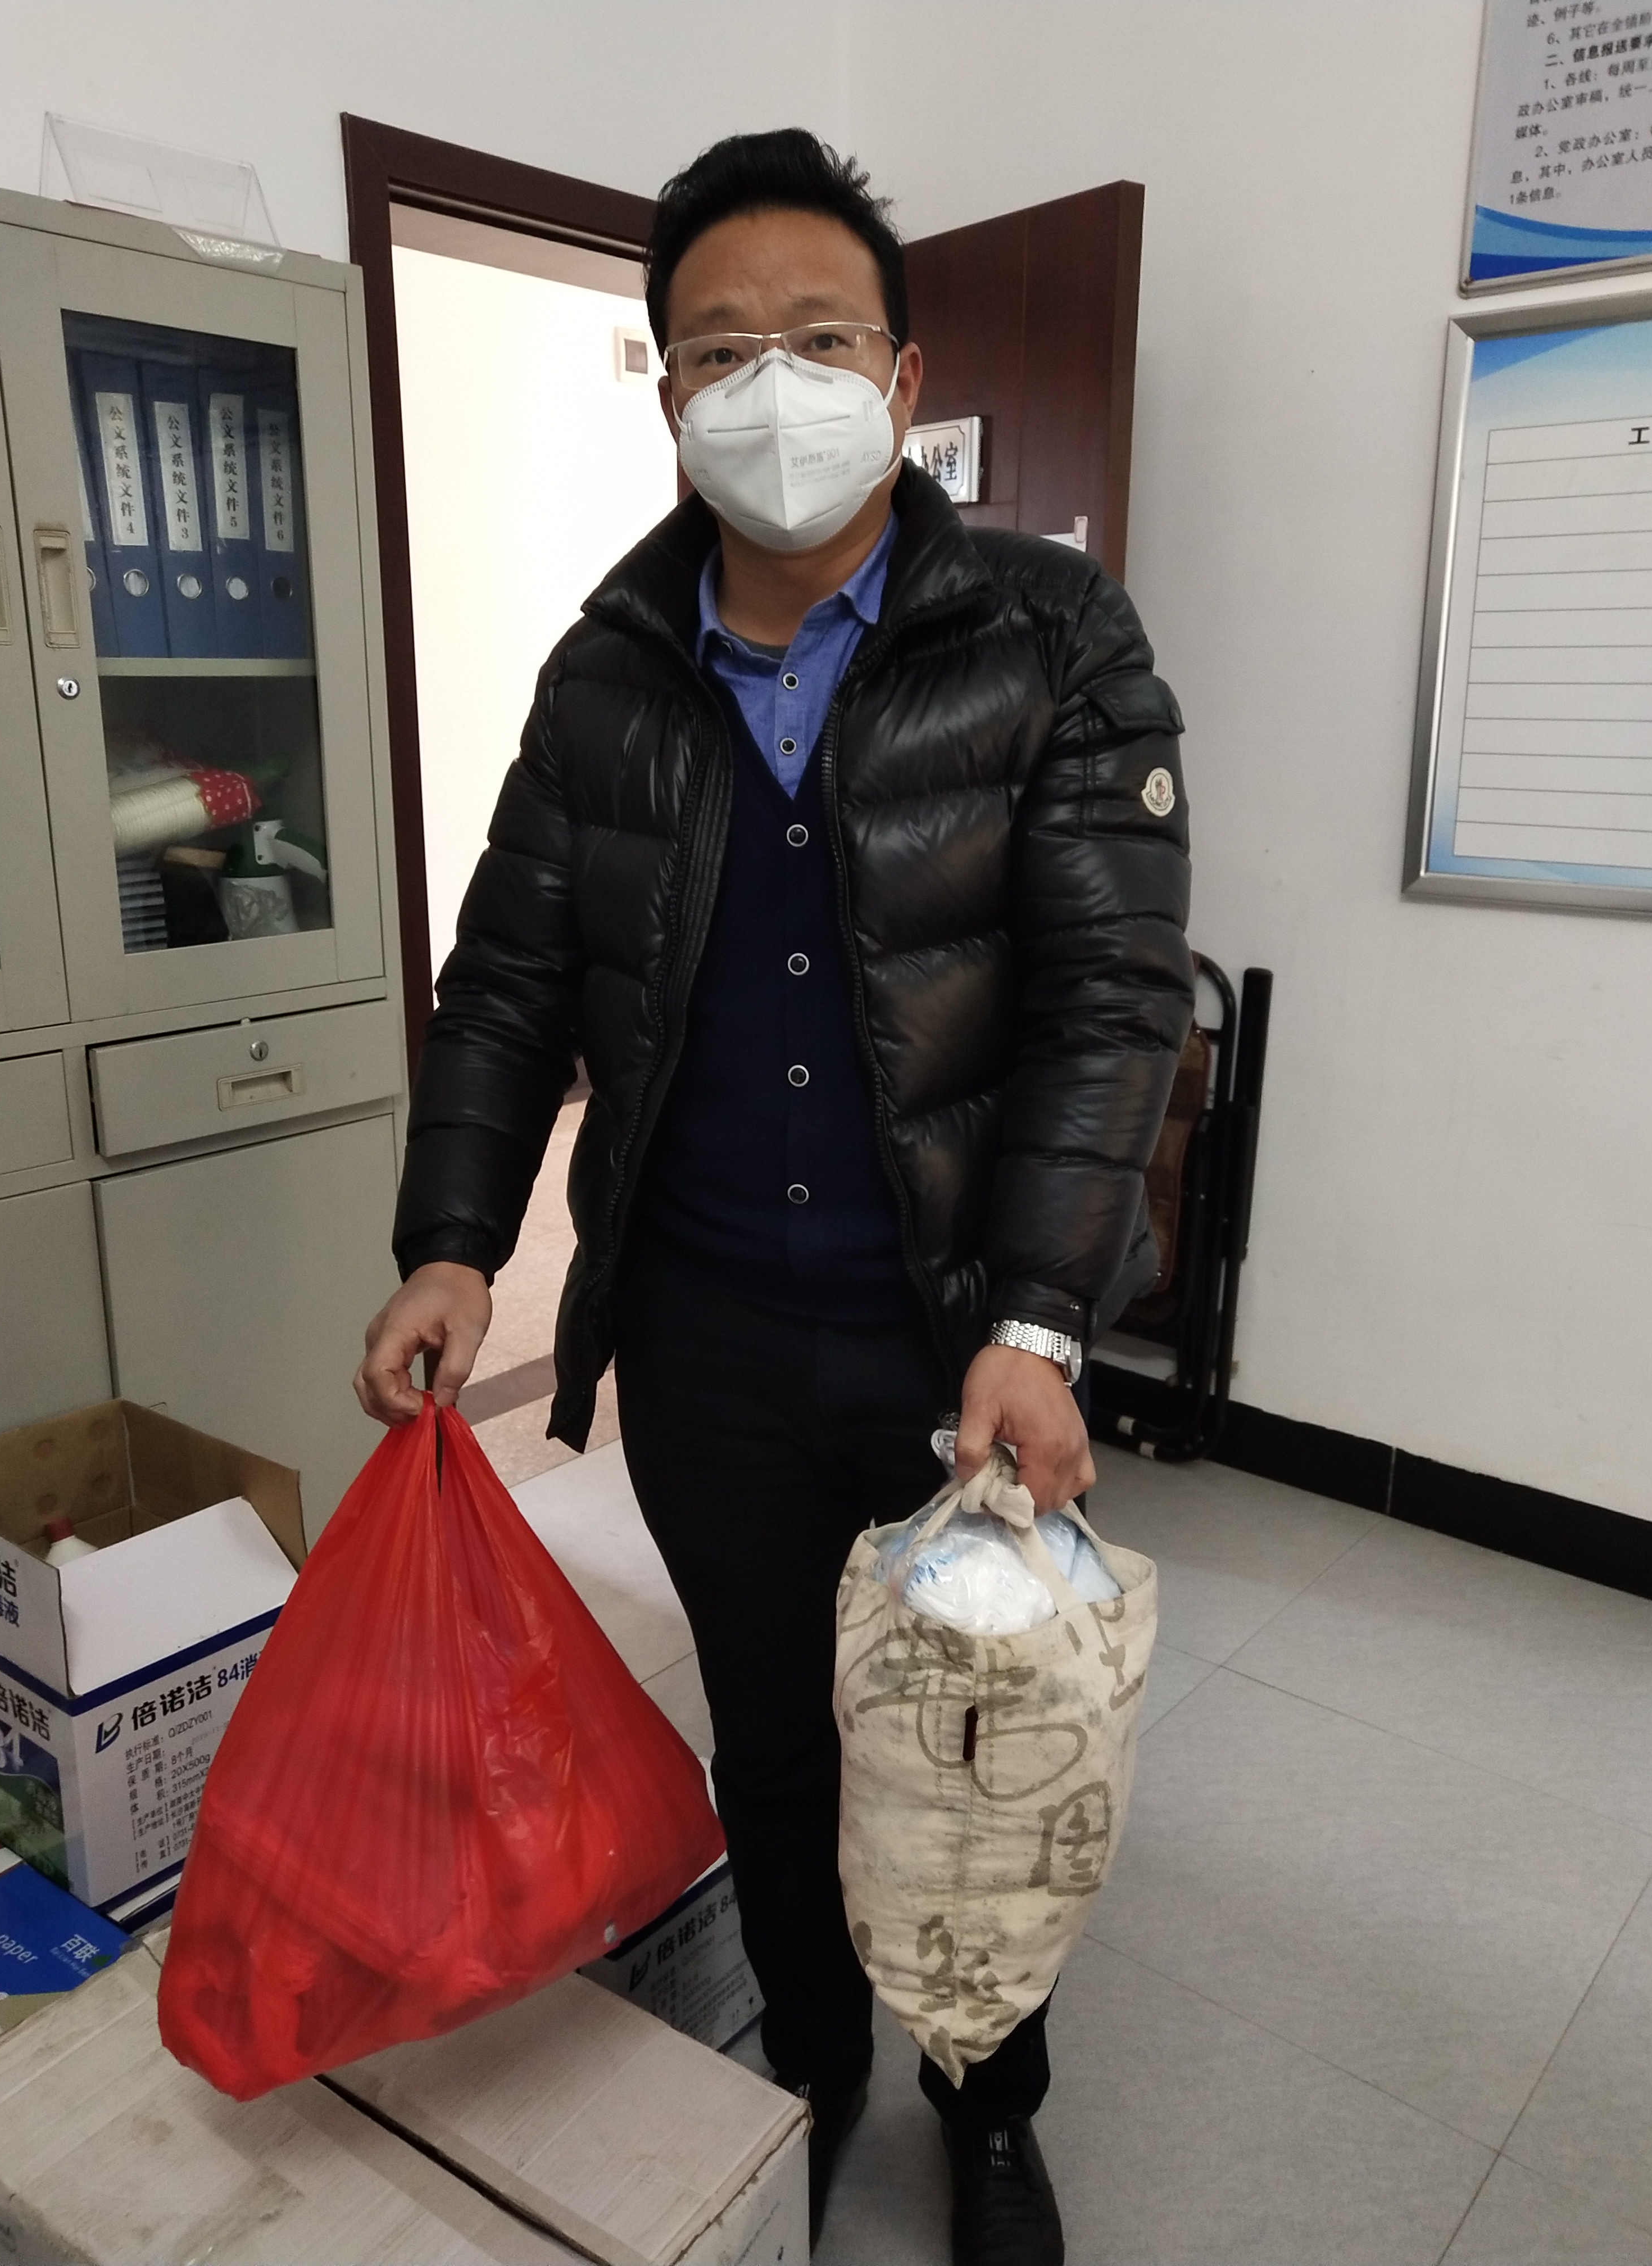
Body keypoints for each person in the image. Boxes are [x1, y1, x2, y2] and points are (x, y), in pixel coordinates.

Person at [357, 128, 1193, 2266]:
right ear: (669, 397)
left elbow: (1112, 998)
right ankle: (812, 2066)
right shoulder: (606, 673)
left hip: (955, 1336)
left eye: (818, 340)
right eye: (721, 351)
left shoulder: (1051, 636)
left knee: (975, 1747)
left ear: (900, 379)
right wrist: (453, 1241)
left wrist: (1041, 1323)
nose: (773, 387)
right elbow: (509, 982)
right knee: (777, 1736)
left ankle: (986, 2105)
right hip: (710, 1336)